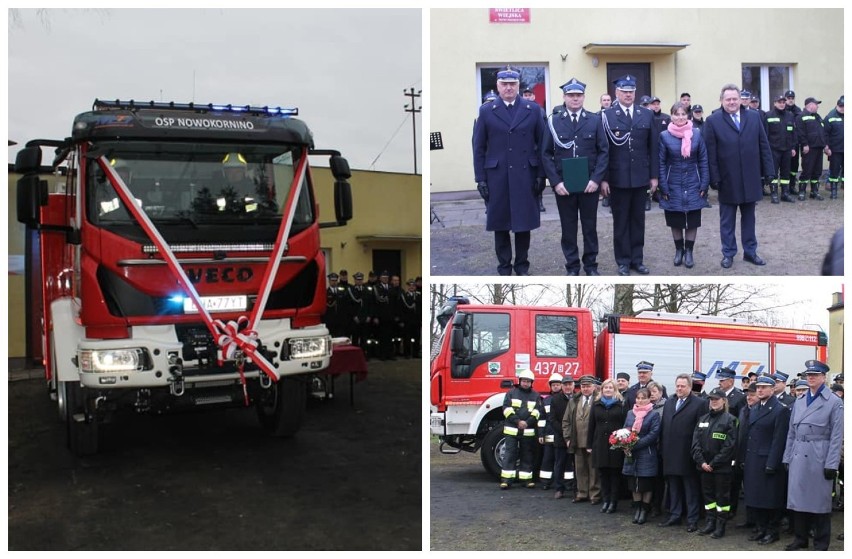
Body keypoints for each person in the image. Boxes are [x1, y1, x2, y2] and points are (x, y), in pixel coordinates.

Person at [473, 66, 545, 276]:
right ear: (497, 86)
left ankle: (522, 265)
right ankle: (504, 266)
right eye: (504, 84)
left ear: (518, 85)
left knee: (524, 224)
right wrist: (481, 179)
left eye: (512, 84)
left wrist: (541, 175)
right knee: (500, 224)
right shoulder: (487, 111)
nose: (508, 88)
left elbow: (542, 145)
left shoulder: (532, 110)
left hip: (525, 175)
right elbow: (479, 148)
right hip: (498, 176)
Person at [541, 78, 609, 276]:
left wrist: (596, 179)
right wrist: (555, 182)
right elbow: (546, 154)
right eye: (571, 95)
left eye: (578, 95)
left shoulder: (594, 120)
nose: (575, 99)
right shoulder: (554, 121)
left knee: (590, 227)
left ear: (584, 97)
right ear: (564, 97)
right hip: (564, 186)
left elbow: (604, 151)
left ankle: (590, 266)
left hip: (589, 185)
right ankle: (572, 266)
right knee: (568, 229)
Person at [704, 84, 775, 270]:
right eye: (728, 99)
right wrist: (714, 177)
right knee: (727, 220)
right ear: (721, 100)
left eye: (735, 98)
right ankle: (728, 254)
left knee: (749, 218)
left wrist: (769, 171)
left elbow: (763, 145)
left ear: (740, 99)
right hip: (727, 179)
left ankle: (750, 252)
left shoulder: (753, 116)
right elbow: (710, 153)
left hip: (751, 177)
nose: (732, 102)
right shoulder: (713, 120)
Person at [601, 74, 659, 276]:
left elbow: (653, 148)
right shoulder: (607, 116)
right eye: (624, 91)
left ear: (635, 92)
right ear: (617, 93)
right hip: (618, 178)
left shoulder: (646, 114)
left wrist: (653, 176)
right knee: (621, 221)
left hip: (640, 177)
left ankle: (637, 259)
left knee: (638, 220)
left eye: (631, 91)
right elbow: (604, 150)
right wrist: (605, 178)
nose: (628, 95)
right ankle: (623, 261)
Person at [783, 360, 844, 550]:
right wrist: (787, 457)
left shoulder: (834, 401)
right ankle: (800, 539)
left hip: (819, 455)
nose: (810, 378)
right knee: (798, 501)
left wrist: (832, 464)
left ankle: (821, 542)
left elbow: (836, 435)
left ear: (823, 377)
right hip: (799, 455)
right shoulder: (800, 400)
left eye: (815, 375)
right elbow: (791, 432)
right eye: (808, 375)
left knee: (819, 504)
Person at [658, 102, 710, 269]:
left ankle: (689, 252)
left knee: (692, 219)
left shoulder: (696, 134)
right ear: (671, 116)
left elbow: (703, 160)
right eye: (676, 114)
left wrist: (704, 183)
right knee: (676, 218)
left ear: (688, 116)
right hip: (673, 182)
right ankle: (678, 250)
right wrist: (663, 186)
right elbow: (661, 163)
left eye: (683, 114)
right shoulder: (664, 136)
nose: (680, 117)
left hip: (694, 182)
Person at [742, 375, 790, 545]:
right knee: (756, 497)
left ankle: (772, 530)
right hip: (754, 459)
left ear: (772, 389)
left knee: (770, 498)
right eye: (758, 387)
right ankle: (761, 528)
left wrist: (772, 463)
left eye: (764, 387)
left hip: (768, 460)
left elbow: (779, 440)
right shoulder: (755, 408)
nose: (760, 390)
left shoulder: (780, 410)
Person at [658, 373, 709, 532]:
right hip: (669, 453)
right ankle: (675, 515)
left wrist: (697, 453)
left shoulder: (699, 403)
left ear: (690, 387)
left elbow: (701, 431)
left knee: (690, 489)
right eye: (678, 385)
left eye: (683, 386)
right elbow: (664, 427)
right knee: (673, 487)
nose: (679, 389)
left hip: (688, 454)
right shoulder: (670, 402)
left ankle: (692, 519)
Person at [691, 387, 738, 538]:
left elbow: (730, 446)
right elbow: (695, 443)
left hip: (721, 468)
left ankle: (720, 526)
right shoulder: (703, 419)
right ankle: (710, 522)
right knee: (708, 498)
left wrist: (713, 463)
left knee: (722, 498)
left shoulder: (731, 420)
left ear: (724, 401)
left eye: (717, 399)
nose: (713, 402)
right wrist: (702, 462)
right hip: (704, 467)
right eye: (711, 399)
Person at [588, 378, 627, 514]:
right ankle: (606, 500)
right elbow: (591, 425)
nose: (608, 390)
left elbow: (625, 425)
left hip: (615, 445)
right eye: (606, 388)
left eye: (611, 387)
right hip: (600, 444)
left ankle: (613, 502)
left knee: (614, 475)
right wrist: (589, 444)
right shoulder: (596, 404)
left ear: (615, 389)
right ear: (602, 390)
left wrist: (623, 443)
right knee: (603, 474)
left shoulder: (621, 405)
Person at [622, 387, 661, 525]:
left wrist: (636, 444)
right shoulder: (630, 413)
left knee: (646, 484)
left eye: (643, 398)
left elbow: (653, 434)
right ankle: (637, 508)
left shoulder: (653, 414)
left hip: (647, 452)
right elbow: (625, 428)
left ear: (649, 399)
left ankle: (644, 510)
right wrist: (624, 441)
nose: (640, 400)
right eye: (638, 398)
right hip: (631, 453)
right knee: (634, 483)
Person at [499, 369, 543, 489]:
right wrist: (518, 421)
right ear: (520, 381)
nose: (525, 383)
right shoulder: (511, 393)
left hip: (527, 430)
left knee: (527, 455)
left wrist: (527, 422)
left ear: (531, 383)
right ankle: (506, 480)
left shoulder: (536, 395)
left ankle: (526, 480)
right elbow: (506, 409)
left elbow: (537, 412)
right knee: (510, 454)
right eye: (524, 381)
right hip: (512, 430)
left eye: (528, 381)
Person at [563, 375, 600, 503]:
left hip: (593, 442)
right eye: (583, 386)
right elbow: (566, 421)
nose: (585, 389)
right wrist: (567, 438)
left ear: (594, 387)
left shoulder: (598, 400)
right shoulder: (574, 400)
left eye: (588, 386)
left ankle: (594, 495)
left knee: (593, 470)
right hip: (577, 441)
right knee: (580, 469)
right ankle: (582, 493)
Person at [764, 93, 797, 203]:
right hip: (773, 149)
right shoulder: (768, 115)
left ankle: (785, 194)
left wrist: (793, 148)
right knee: (773, 173)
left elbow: (793, 133)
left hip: (787, 149)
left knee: (785, 173)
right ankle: (774, 194)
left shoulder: (790, 115)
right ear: (774, 103)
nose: (782, 104)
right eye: (780, 102)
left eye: (783, 102)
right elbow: (765, 134)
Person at [550, 374, 576, 499]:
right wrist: (565, 434)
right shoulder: (555, 399)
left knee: (576, 465)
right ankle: (559, 489)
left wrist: (573, 435)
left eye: (570, 384)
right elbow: (552, 419)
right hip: (560, 438)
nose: (567, 387)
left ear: (573, 385)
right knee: (559, 464)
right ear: (562, 386)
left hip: (576, 438)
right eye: (565, 385)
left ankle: (576, 489)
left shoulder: (578, 398)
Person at [796, 97, 828, 201]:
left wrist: (825, 145)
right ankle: (802, 191)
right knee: (807, 171)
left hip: (819, 147)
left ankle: (814, 192)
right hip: (809, 148)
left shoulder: (818, 117)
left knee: (817, 171)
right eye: (816, 104)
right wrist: (804, 144)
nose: (817, 106)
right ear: (809, 105)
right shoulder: (801, 116)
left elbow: (822, 132)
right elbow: (800, 132)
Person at [538, 373, 566, 489]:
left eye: (557, 384)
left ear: (561, 385)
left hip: (561, 434)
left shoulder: (566, 399)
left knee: (564, 460)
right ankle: (545, 482)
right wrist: (541, 434)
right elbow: (542, 419)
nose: (555, 387)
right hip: (549, 433)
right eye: (553, 385)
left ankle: (567, 482)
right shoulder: (546, 401)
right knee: (548, 458)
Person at [648, 381, 669, 517]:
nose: (652, 395)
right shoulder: (645, 406)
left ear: (661, 393)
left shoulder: (667, 406)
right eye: (650, 392)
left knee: (659, 479)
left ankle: (657, 505)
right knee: (648, 478)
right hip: (647, 448)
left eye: (654, 392)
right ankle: (646, 504)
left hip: (660, 447)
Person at [784, 90, 804, 195]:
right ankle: (785, 187)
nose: (790, 100)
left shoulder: (798, 110)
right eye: (788, 98)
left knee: (794, 166)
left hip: (796, 142)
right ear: (785, 99)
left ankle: (792, 185)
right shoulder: (783, 109)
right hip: (786, 142)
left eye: (792, 98)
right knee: (786, 165)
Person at [824, 95, 844, 199]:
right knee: (834, 171)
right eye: (841, 106)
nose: (843, 108)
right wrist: (826, 147)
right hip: (835, 150)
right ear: (837, 105)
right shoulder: (830, 117)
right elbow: (825, 134)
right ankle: (834, 191)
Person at [399, 279, 420, 358]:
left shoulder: (419, 295)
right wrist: (401, 320)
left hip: (416, 320)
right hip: (407, 320)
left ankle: (415, 353)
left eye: (413, 285)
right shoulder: (403, 296)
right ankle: (407, 353)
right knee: (407, 338)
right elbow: (401, 309)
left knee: (416, 338)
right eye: (410, 285)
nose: (411, 287)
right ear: (407, 286)